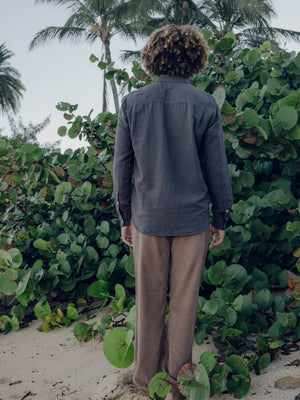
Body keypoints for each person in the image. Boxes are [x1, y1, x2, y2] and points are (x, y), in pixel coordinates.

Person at [113, 24, 233, 400]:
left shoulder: (132, 103)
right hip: (193, 219)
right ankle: (178, 386)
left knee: (148, 300)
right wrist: (221, 218)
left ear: (153, 56)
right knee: (184, 304)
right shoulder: (204, 104)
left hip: (147, 218)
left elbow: (122, 166)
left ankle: (147, 381)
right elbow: (217, 168)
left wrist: (125, 216)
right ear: (194, 58)